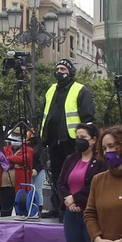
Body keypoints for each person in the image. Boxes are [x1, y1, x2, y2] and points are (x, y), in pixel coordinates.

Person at [56, 123, 106, 242]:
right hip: (71, 214)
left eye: (83, 137)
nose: (79, 141)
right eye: (77, 137)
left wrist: (76, 198)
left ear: (94, 140)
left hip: (91, 215)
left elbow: (95, 185)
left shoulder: (100, 162)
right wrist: (68, 200)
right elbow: (61, 182)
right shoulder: (71, 159)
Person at [40, 59, 94, 218]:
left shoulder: (81, 90)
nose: (59, 71)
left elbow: (88, 117)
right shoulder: (51, 90)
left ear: (70, 72)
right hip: (53, 140)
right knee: (56, 175)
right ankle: (56, 206)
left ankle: (69, 206)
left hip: (72, 141)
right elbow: (44, 113)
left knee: (71, 175)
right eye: (57, 68)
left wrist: (85, 139)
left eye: (63, 69)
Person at [0, 133, 35, 219]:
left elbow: (23, 159)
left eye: (18, 136)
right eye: (14, 135)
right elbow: (0, 160)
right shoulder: (5, 149)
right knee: (4, 213)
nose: (15, 138)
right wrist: (15, 164)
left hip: (20, 187)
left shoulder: (28, 150)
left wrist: (8, 159)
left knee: (21, 213)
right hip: (5, 186)